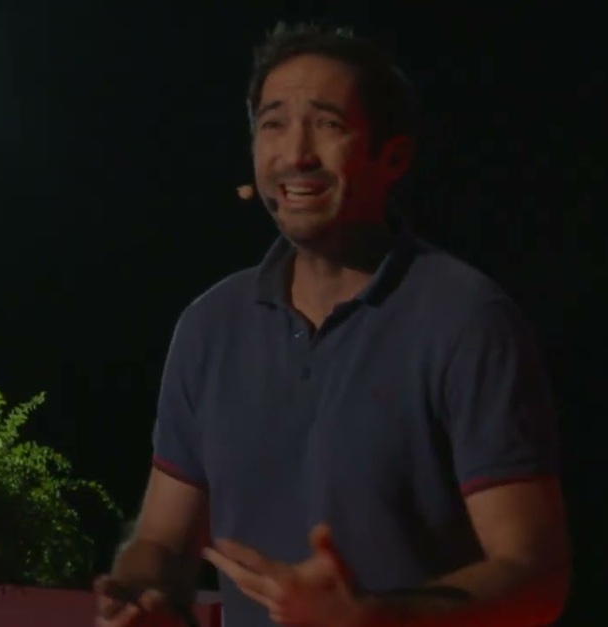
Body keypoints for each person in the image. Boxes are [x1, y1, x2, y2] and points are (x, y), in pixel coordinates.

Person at [94, 22, 571, 627]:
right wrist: (141, 591)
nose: (295, 154)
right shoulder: (208, 327)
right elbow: (162, 540)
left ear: (392, 156)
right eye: (273, 125)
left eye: (327, 124)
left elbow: (535, 575)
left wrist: (373, 619)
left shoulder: (468, 320)